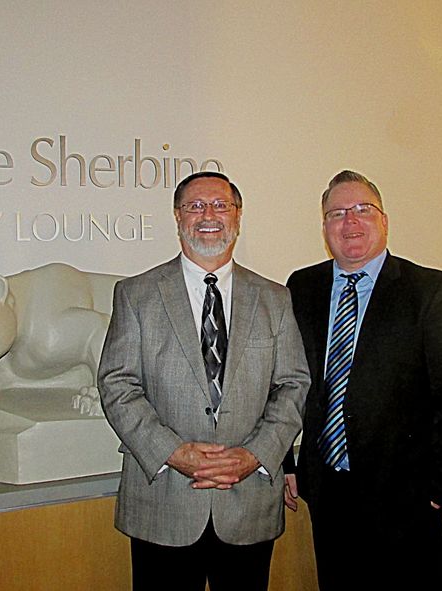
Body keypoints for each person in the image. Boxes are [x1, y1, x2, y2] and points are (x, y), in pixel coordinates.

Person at [98, 171, 311, 591]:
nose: (208, 215)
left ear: (237, 216)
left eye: (220, 205)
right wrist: (174, 452)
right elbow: (117, 384)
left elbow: (293, 385)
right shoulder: (136, 294)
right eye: (195, 206)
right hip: (164, 501)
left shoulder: (275, 298)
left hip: (248, 501)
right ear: (178, 218)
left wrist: (255, 455)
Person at [282, 170, 442, 590]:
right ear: (324, 227)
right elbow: (284, 380)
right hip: (328, 490)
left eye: (362, 210)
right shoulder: (302, 287)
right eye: (337, 213)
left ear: (384, 220)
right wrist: (287, 461)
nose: (350, 222)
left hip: (406, 494)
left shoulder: (429, 289)